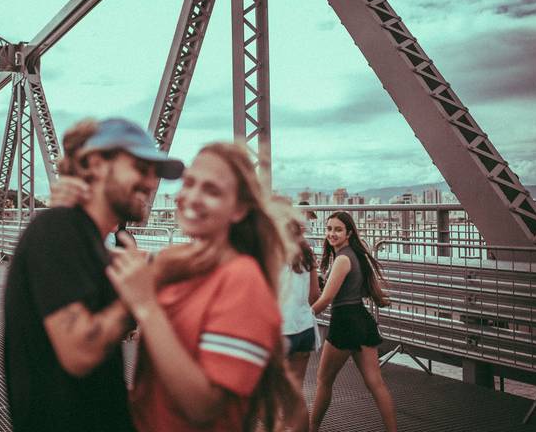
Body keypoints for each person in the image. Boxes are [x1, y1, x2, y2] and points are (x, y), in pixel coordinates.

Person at [3, 118, 184, 432]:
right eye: (141, 168)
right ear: (96, 164)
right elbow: (80, 352)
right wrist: (136, 300)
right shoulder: (58, 229)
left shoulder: (87, 241)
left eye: (155, 172)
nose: (151, 182)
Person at [106, 142, 299, 432]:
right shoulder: (179, 262)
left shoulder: (242, 281)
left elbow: (204, 407)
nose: (192, 197)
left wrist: (146, 307)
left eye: (211, 191)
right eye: (189, 184)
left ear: (239, 209)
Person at [309, 211, 396, 432]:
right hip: (362, 320)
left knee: (323, 381)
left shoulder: (342, 259)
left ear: (348, 233)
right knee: (375, 383)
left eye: (338, 230)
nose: (332, 234)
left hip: (345, 323)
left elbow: (327, 298)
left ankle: (312, 429)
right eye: (329, 229)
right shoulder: (354, 255)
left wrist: (304, 316)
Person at [269, 197, 320, 432]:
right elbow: (314, 294)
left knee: (277, 402)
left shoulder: (272, 251)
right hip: (305, 328)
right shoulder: (307, 252)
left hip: (282, 331)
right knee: (296, 396)